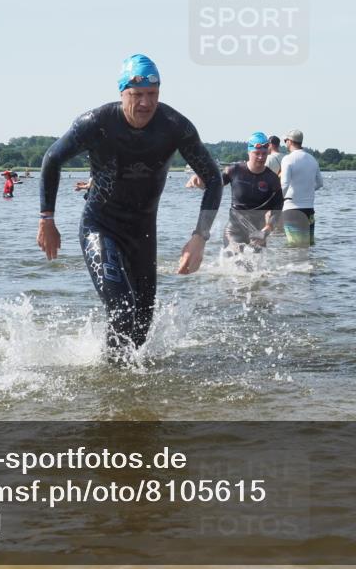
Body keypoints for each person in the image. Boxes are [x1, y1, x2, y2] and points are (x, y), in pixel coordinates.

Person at [37, 53, 222, 352]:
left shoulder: (175, 126)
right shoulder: (96, 122)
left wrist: (199, 237)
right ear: (122, 92)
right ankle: (113, 383)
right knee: (122, 309)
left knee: (141, 326)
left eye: (153, 94)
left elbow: (213, 178)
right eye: (137, 95)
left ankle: (131, 388)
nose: (146, 103)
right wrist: (47, 219)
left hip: (143, 233)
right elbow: (52, 159)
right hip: (101, 227)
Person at [189, 131, 283, 252]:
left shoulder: (272, 179)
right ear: (249, 152)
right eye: (257, 153)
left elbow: (277, 209)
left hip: (258, 233)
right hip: (234, 230)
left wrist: (267, 230)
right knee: (237, 261)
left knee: (255, 269)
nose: (261, 157)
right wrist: (199, 180)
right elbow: (213, 186)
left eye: (264, 153)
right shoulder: (234, 170)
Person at [279, 129, 323, 247]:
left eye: (285, 140)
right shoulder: (312, 159)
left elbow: (284, 184)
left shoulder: (288, 159)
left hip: (292, 210)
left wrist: (276, 203)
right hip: (309, 211)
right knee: (308, 246)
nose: (285, 143)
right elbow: (320, 183)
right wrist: (306, 190)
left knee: (295, 248)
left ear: (290, 141)